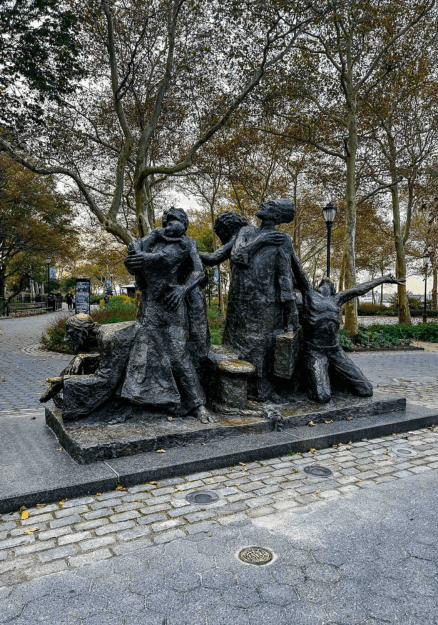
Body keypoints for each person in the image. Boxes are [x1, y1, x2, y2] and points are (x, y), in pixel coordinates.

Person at [202, 200, 299, 401]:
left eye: (270, 205)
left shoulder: (283, 239)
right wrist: (261, 241)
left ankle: (260, 390)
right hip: (240, 302)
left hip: (267, 303)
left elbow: (284, 276)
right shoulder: (246, 231)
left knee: (262, 346)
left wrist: (291, 307)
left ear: (277, 215)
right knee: (237, 345)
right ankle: (234, 388)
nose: (263, 204)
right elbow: (237, 256)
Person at [122, 207, 211, 422]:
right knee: (143, 352)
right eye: (167, 221)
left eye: (175, 221)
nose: (170, 225)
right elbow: (133, 262)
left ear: (184, 223)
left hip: (172, 304)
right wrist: (139, 253)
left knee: (178, 353)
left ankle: (197, 404)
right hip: (151, 305)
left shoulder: (188, 243)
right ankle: (142, 402)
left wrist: (183, 289)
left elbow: (200, 272)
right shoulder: (154, 241)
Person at [291, 247, 405, 403]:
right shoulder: (309, 295)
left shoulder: (337, 298)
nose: (329, 284)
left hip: (335, 351)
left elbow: (359, 290)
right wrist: (288, 246)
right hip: (315, 352)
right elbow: (299, 271)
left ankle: (332, 379)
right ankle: (309, 381)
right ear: (320, 286)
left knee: (365, 389)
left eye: (331, 283)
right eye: (327, 282)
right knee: (322, 397)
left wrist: (383, 279)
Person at [40, 313, 136, 419]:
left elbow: (106, 382)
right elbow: (110, 359)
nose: (66, 339)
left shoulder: (108, 339)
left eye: (70, 334)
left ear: (84, 334)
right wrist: (83, 357)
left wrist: (65, 381)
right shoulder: (101, 333)